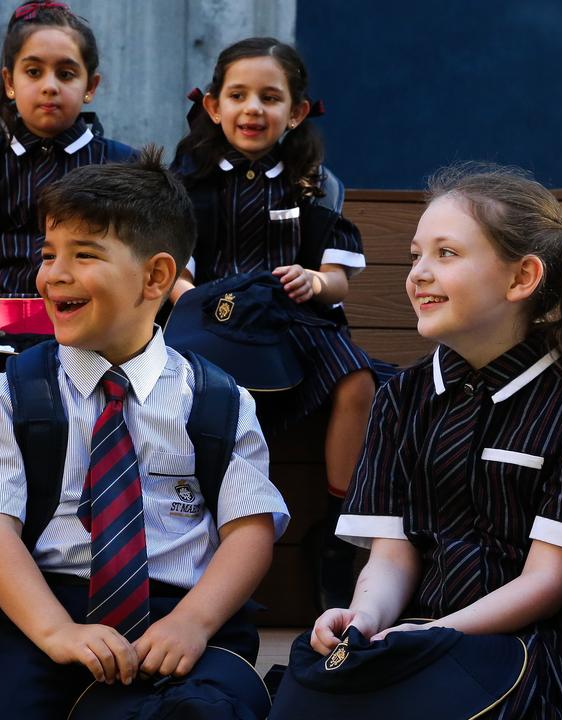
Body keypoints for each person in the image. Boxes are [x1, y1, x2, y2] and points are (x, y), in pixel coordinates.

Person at [0, 148, 289, 718]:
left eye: (84, 255)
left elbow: (249, 531)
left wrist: (193, 622)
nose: (54, 273)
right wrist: (57, 631)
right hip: (41, 610)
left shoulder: (217, 401)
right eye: (49, 254)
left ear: (156, 275)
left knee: (212, 711)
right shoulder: (12, 392)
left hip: (180, 612)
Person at [312, 165, 562, 719]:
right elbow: (394, 555)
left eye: (446, 254)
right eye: (417, 254)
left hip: (527, 657)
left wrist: (436, 635)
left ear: (521, 279)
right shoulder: (400, 399)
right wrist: (366, 618)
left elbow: (546, 582)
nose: (418, 272)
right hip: (413, 638)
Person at [170, 36, 377, 609]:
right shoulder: (192, 182)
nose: (253, 109)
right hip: (218, 323)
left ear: (297, 112)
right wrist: (198, 302)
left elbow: (337, 274)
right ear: (213, 106)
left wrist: (315, 282)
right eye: (238, 95)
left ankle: (339, 532)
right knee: (194, 388)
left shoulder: (315, 181)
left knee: (358, 380)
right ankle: (199, 529)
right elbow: (174, 276)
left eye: (270, 97)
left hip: (299, 323)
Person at [0, 0, 134, 491]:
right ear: (10, 82)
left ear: (91, 85)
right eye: (34, 72)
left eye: (67, 72)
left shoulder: (119, 168)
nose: (50, 85)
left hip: (87, 322)